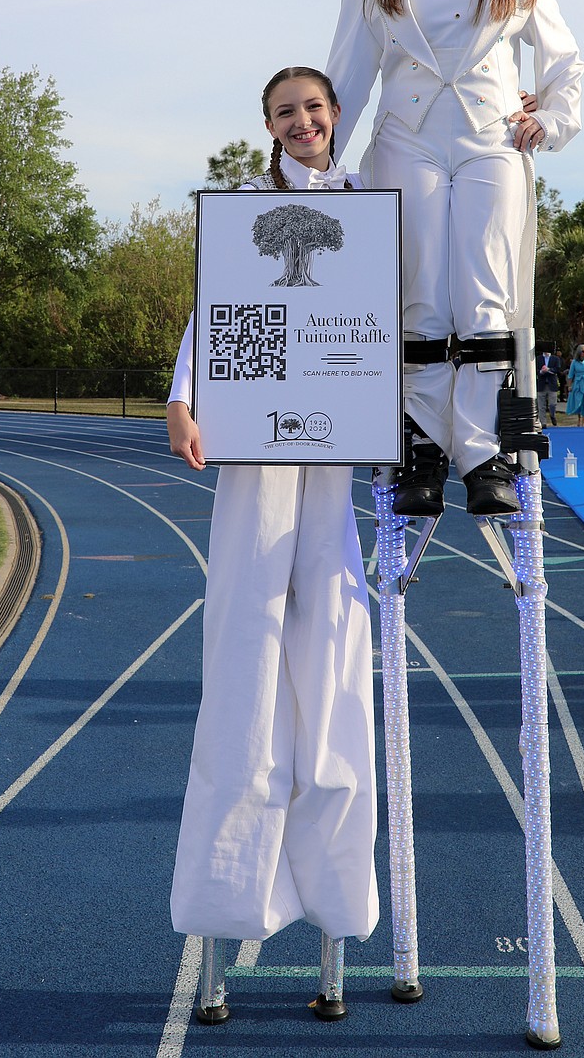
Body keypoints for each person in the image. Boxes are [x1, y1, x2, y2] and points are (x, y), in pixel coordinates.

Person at [166, 67, 378, 973]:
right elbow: (213, 314)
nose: (303, 121)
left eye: (316, 107)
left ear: (336, 117)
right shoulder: (245, 207)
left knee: (331, 654)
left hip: (335, 442)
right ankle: (229, 892)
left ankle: (337, 900)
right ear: (267, 123)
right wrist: (182, 397)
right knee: (246, 648)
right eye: (286, 110)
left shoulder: (370, 204)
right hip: (256, 444)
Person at [326, 0, 584, 519]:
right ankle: (421, 447)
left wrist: (551, 119)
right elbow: (346, 82)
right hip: (404, 142)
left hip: (490, 142)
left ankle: (480, 453)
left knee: (485, 292)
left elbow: (562, 62)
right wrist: (319, 171)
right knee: (418, 296)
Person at [536, 345, 563, 427]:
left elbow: (558, 369)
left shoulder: (555, 359)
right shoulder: (538, 358)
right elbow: (535, 369)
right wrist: (541, 371)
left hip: (552, 384)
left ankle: (552, 415)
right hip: (542, 384)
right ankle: (543, 422)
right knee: (541, 405)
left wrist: (549, 370)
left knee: (552, 404)